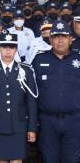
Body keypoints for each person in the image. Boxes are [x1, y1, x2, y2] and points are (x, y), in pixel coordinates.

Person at [0, 33, 38, 163]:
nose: (8, 51)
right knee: (1, 160)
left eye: (11, 47)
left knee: (17, 160)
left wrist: (32, 128)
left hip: (19, 125)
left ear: (16, 49)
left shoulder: (26, 71)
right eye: (4, 47)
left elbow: (31, 102)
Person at [32, 20, 80, 163]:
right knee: (49, 159)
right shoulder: (39, 60)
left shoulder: (78, 59)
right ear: (50, 39)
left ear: (71, 39)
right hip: (47, 121)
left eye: (64, 36)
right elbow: (32, 93)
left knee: (72, 159)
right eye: (56, 36)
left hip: (74, 121)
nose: (60, 40)